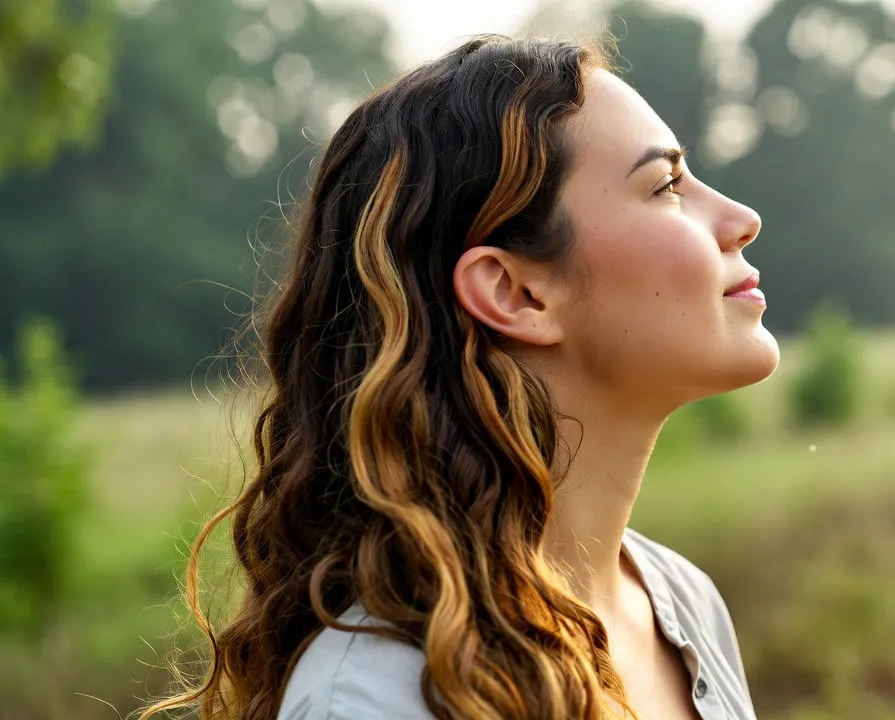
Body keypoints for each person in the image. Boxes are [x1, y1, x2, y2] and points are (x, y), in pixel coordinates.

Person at [140, 33, 779, 720]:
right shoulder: (374, 698)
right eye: (666, 186)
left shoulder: (684, 605)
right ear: (515, 293)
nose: (742, 221)